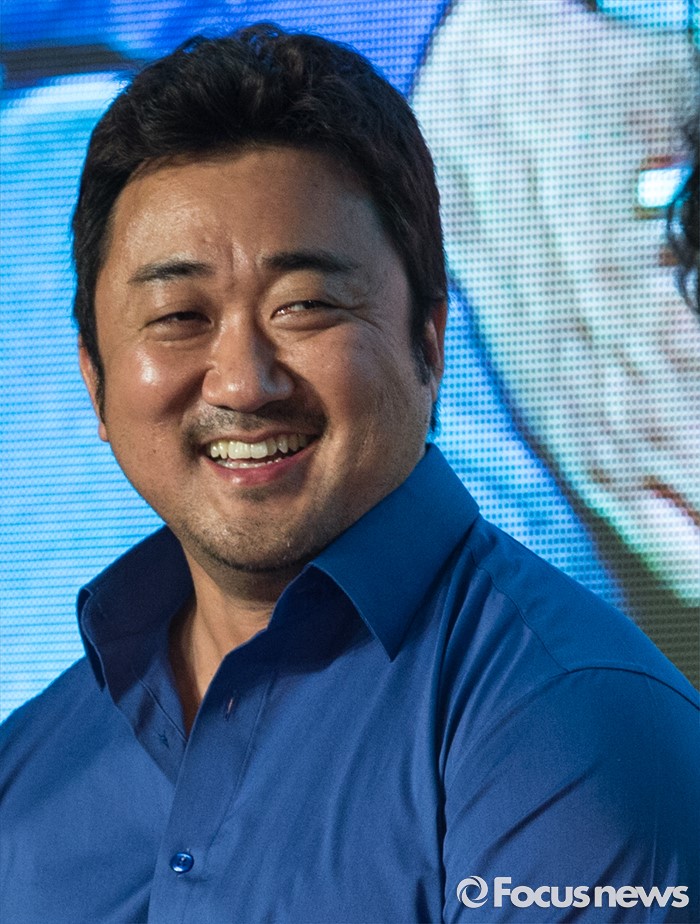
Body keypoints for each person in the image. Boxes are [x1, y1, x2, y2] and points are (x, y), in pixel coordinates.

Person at [0, 23, 697, 924]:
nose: (243, 383)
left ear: (428, 345)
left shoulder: (572, 733)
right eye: (178, 317)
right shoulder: (29, 773)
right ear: (93, 379)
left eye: (306, 306)